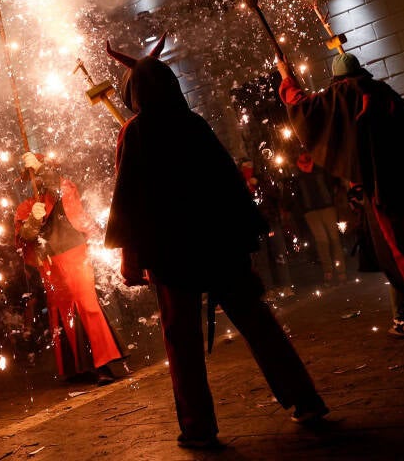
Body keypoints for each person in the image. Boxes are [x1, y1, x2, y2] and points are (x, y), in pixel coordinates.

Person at [104, 35, 328, 451]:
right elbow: (228, 185)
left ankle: (197, 426)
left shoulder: (135, 133)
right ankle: (305, 400)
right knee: (258, 324)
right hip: (219, 244)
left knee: (182, 342)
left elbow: (128, 195)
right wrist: (245, 237)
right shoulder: (194, 123)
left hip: (172, 252)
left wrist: (128, 255)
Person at [277, 52, 404, 340]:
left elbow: (304, 109)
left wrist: (286, 78)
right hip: (403, 182)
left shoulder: (345, 92)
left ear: (338, 78)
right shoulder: (381, 89)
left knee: (401, 252)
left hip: (382, 186)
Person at [14, 151, 123, 386]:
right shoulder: (26, 206)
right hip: (49, 263)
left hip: (74, 253)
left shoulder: (62, 190)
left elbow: (62, 186)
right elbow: (24, 236)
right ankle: (77, 367)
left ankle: (101, 363)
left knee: (85, 304)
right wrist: (33, 220)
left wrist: (41, 166)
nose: (36, 178)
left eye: (37, 172)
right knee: (63, 311)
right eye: (31, 174)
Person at [239, 158, 295, 297]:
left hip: (270, 222)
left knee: (279, 254)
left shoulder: (263, 180)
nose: (248, 168)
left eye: (250, 165)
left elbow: (275, 195)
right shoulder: (240, 183)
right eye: (245, 166)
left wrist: (260, 186)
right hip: (254, 226)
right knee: (261, 258)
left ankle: (286, 285)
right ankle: (268, 289)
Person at [293, 152, 349, 286]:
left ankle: (341, 272)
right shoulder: (298, 176)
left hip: (327, 207)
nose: (304, 161)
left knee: (334, 239)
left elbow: (332, 183)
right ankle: (328, 272)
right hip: (311, 212)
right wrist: (303, 211)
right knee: (322, 241)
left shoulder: (320, 169)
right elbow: (298, 195)